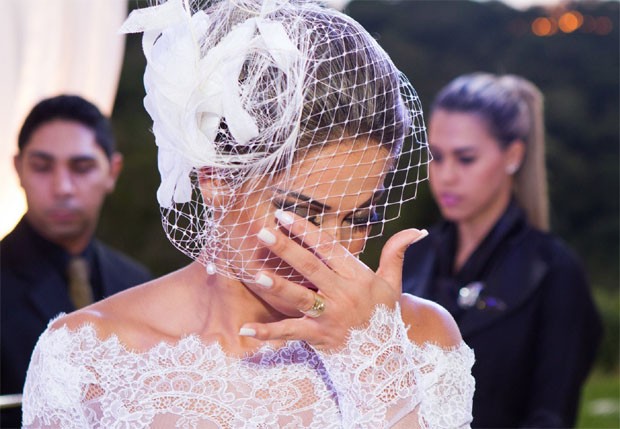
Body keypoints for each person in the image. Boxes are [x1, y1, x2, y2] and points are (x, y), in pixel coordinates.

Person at [22, 0, 475, 428]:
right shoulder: (86, 355)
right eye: (301, 213)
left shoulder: (419, 340)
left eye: (359, 218)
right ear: (216, 178)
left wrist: (372, 363)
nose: (330, 250)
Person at [402, 72, 602, 428]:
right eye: (436, 156)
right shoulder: (413, 255)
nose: (446, 176)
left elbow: (551, 415)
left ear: (513, 155)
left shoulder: (555, 271)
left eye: (465, 159)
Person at [1, 95, 152, 427]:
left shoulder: (137, 282)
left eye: (81, 167)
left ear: (112, 172)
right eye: (42, 166)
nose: (62, 187)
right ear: (18, 169)